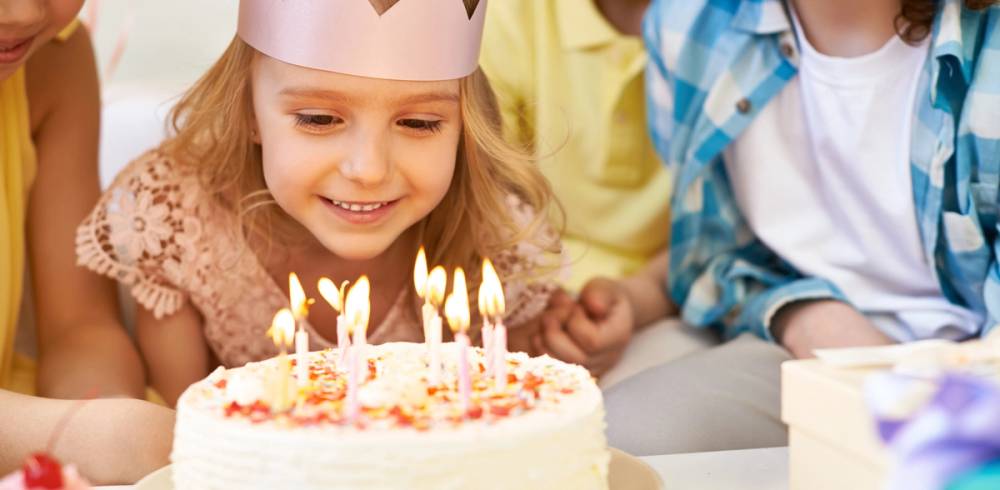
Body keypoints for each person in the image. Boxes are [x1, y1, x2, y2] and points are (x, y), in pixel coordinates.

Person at [77, 0, 564, 407]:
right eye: (318, 119)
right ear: (248, 110)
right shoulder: (181, 224)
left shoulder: (494, 239)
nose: (369, 169)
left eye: (419, 124)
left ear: (463, 127)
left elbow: (512, 410)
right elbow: (187, 426)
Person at [606, 0, 1000, 455]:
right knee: (622, 438)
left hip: (979, 368)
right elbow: (713, 252)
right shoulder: (687, 27)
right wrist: (803, 315)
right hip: (810, 356)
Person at [481, 0, 701, 381]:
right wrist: (533, 306)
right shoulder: (504, 17)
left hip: (680, 299)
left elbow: (735, 233)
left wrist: (638, 296)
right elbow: (481, 200)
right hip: (519, 295)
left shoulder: (734, 29)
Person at [0, 0, 172, 483]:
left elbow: (77, 326)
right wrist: (81, 435)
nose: (21, 14)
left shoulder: (52, 60)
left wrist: (107, 407)